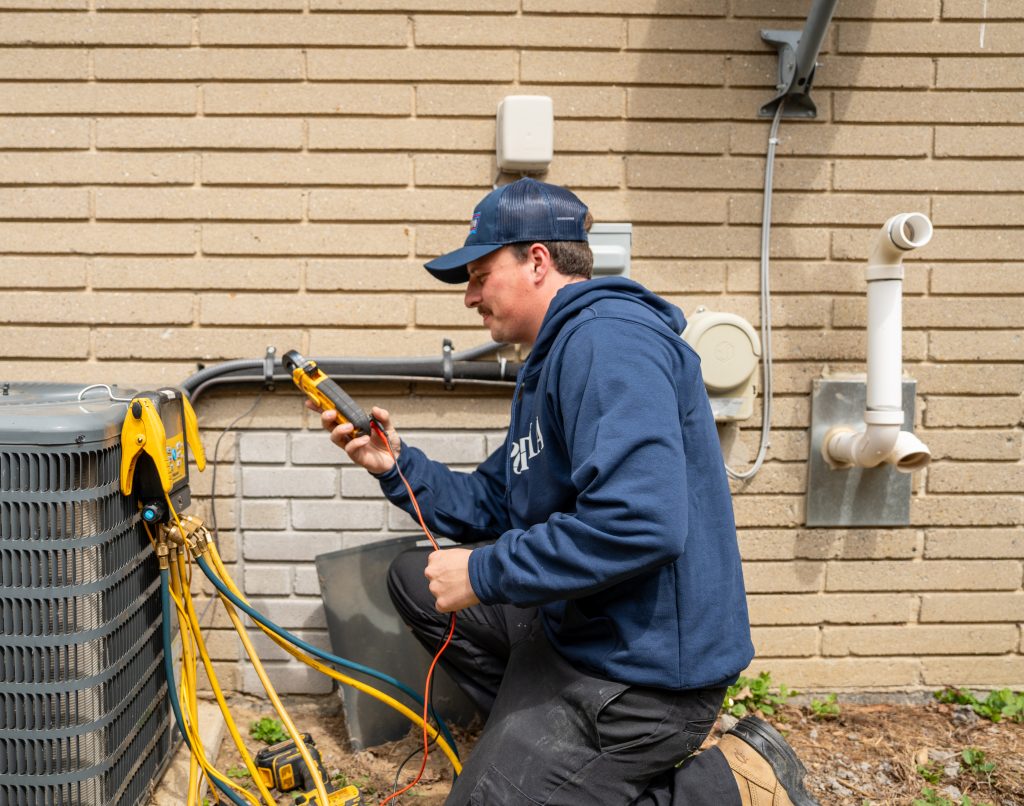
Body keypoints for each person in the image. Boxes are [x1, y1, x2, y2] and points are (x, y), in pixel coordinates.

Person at [317, 178, 817, 806]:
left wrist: (486, 570)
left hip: (643, 677)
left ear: (537, 260)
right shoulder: (549, 361)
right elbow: (495, 502)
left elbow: (641, 523)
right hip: (584, 626)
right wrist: (394, 466)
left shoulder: (608, 342)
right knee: (415, 578)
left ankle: (732, 787)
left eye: (478, 274)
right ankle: (541, 749)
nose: (470, 296)